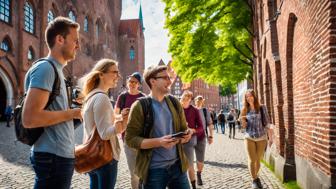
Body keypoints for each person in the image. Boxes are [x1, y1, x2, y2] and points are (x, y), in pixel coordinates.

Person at [22, 17, 82, 189]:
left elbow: (54, 115)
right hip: (53, 158)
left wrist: (74, 112)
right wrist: (73, 113)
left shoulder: (57, 71)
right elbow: (30, 118)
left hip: (58, 156)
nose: (78, 46)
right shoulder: (46, 68)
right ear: (60, 39)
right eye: (75, 41)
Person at [125, 65, 192, 189]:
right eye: (165, 78)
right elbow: (130, 139)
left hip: (178, 167)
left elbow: (183, 129)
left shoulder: (174, 102)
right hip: (153, 170)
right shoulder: (140, 106)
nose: (169, 81)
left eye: (169, 78)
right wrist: (159, 142)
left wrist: (186, 135)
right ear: (153, 81)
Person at [81, 59, 127, 189]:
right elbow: (105, 134)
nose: (118, 76)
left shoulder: (91, 96)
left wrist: (118, 116)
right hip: (105, 158)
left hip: (92, 155)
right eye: (114, 72)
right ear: (101, 74)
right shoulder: (102, 98)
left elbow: (98, 122)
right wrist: (122, 124)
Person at [114, 72, 145, 189]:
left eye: (135, 82)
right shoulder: (122, 97)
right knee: (134, 174)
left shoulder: (144, 98)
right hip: (128, 139)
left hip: (143, 139)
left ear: (139, 84)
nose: (132, 84)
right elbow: (114, 115)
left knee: (143, 171)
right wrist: (121, 115)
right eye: (130, 81)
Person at [240, 89, 273, 189]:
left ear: (254, 96)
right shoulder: (245, 109)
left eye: (250, 96)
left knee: (258, 160)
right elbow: (243, 126)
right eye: (247, 97)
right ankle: (254, 180)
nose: (249, 98)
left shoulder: (262, 108)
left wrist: (270, 138)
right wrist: (243, 121)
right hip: (249, 136)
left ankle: (256, 176)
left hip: (261, 137)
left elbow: (267, 124)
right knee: (252, 159)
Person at [194, 95, 214, 186]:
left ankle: (198, 174)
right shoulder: (191, 110)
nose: (199, 101)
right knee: (189, 159)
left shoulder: (205, 111)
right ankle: (191, 178)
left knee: (200, 159)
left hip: (202, 137)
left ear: (203, 101)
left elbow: (209, 124)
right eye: (198, 100)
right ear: (195, 101)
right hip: (190, 138)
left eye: (201, 100)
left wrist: (210, 136)